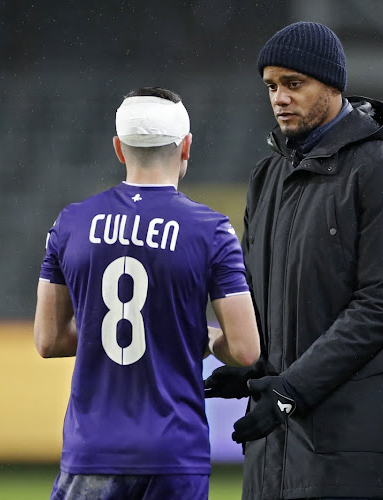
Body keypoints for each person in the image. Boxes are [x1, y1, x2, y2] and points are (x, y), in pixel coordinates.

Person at [204, 22, 383, 500]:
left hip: (355, 449)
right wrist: (257, 373)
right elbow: (270, 301)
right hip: (277, 448)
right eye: (271, 86)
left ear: (332, 85)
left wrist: (289, 391)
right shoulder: (267, 177)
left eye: (293, 83)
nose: (279, 97)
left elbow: (381, 308)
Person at [33, 86, 261, 500]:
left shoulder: (70, 224)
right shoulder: (211, 230)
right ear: (186, 146)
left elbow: (48, 341)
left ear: (119, 149)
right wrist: (198, 337)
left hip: (95, 449)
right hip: (174, 449)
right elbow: (246, 350)